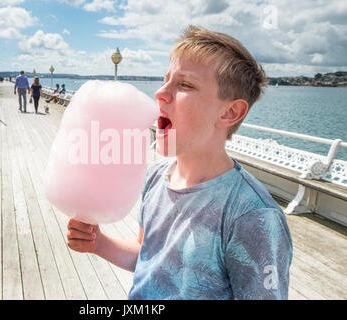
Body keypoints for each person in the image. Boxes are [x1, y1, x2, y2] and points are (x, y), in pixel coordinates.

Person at [66, 26, 293, 300]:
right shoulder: (155, 177)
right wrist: (98, 243)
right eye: (166, 80)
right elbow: (148, 258)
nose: (161, 92)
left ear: (230, 111)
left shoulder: (252, 216)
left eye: (185, 84)